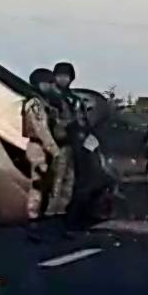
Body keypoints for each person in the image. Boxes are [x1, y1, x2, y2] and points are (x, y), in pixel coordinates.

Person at [47, 62, 89, 218]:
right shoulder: (51, 98)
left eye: (66, 76)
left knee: (69, 179)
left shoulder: (74, 99)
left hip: (72, 143)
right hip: (57, 144)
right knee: (56, 180)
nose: (63, 79)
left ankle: (61, 212)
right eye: (60, 76)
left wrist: (81, 130)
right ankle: (50, 212)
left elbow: (83, 120)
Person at [22, 69, 60, 221]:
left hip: (41, 146)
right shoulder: (36, 103)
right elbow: (41, 129)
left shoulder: (43, 102)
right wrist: (54, 149)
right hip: (38, 147)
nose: (51, 86)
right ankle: (33, 216)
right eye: (48, 83)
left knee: (44, 182)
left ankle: (38, 215)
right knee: (37, 182)